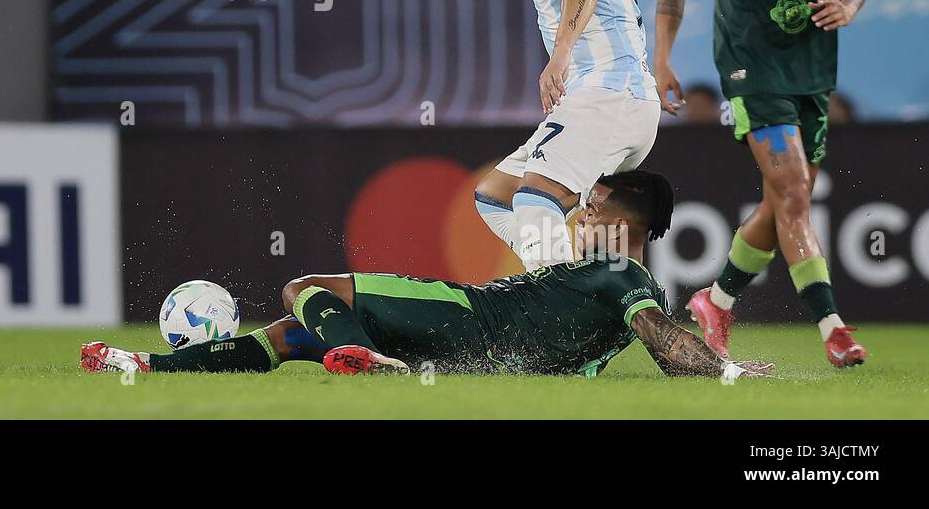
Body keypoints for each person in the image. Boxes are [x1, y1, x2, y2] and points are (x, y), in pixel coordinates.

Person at [81, 170, 773, 382]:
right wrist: (723, 371)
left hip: (465, 316)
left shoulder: (620, 272)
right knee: (290, 337)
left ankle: (363, 353)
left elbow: (660, 337)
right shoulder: (618, 277)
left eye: (592, 202)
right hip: (480, 359)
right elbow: (665, 351)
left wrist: (731, 373)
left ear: (626, 217)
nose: (580, 209)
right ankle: (143, 363)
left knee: (306, 289)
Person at [652, 0, 868, 368]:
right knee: (796, 192)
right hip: (752, 76)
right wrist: (662, 59)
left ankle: (716, 301)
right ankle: (833, 327)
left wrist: (849, 6)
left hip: (813, 75)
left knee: (783, 202)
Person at [472, 0, 683, 270]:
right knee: (495, 196)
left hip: (606, 96)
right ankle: (568, 281)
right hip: (622, 104)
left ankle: (556, 310)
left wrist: (560, 55)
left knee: (535, 198)